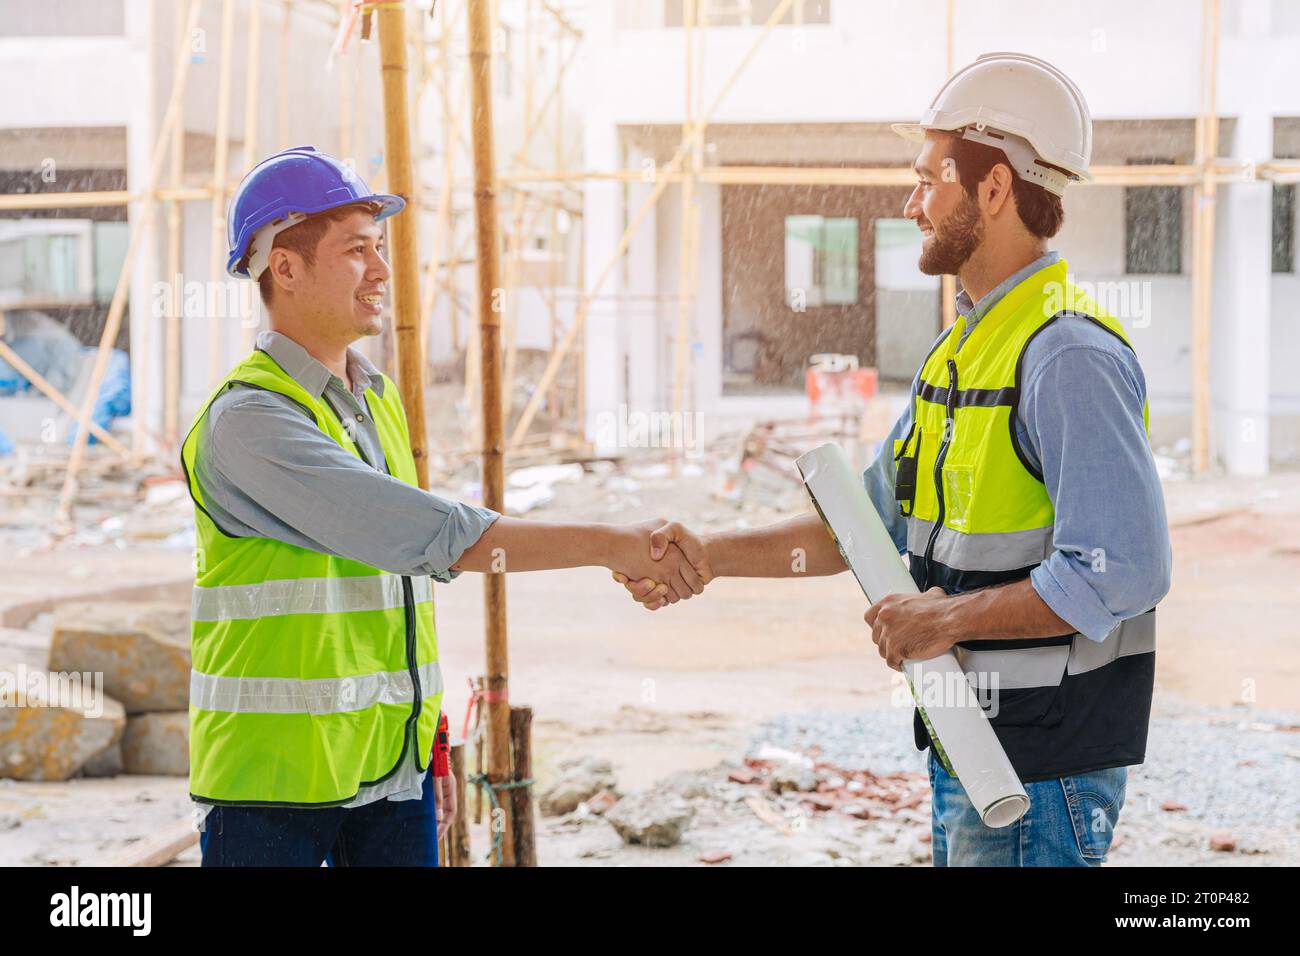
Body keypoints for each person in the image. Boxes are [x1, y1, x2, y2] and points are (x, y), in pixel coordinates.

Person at [618, 53, 1172, 867]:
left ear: (992, 188)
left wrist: (946, 617)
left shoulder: (1065, 355)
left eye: (928, 180)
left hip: (1041, 767)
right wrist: (709, 556)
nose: (912, 203)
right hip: (973, 745)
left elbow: (1122, 569)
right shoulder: (961, 349)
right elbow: (864, 526)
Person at [184, 146, 704, 867]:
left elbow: (397, 599)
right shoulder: (248, 421)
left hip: (389, 776)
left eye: (380, 248)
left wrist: (427, 749)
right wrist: (613, 543)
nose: (383, 271)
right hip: (271, 791)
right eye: (357, 250)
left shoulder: (374, 400)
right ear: (287, 267)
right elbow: (422, 534)